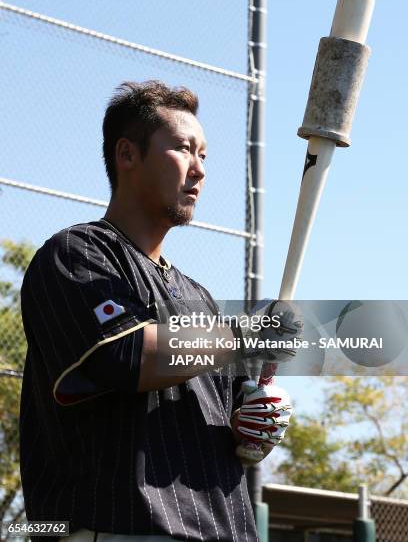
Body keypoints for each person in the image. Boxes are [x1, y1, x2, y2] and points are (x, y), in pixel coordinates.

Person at [19, 81, 301, 542]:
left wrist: (257, 426)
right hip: (117, 528)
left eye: (204, 155)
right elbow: (128, 356)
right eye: (184, 149)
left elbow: (230, 422)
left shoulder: (199, 296)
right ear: (127, 154)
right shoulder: (76, 254)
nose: (199, 169)